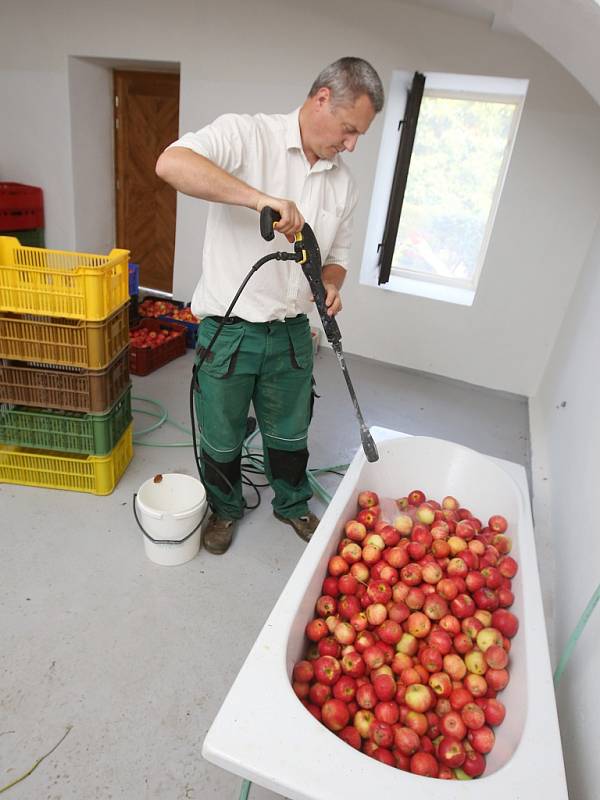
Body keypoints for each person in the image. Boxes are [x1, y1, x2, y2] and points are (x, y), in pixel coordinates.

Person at [155, 56, 384, 555]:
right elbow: (171, 163)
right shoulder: (246, 135)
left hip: (293, 333)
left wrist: (330, 283)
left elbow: (338, 257)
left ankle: (292, 503)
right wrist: (258, 198)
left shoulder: (344, 183)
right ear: (322, 98)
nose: (351, 144)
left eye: (358, 135)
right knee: (220, 435)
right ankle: (225, 507)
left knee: (289, 430)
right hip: (229, 329)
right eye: (349, 129)